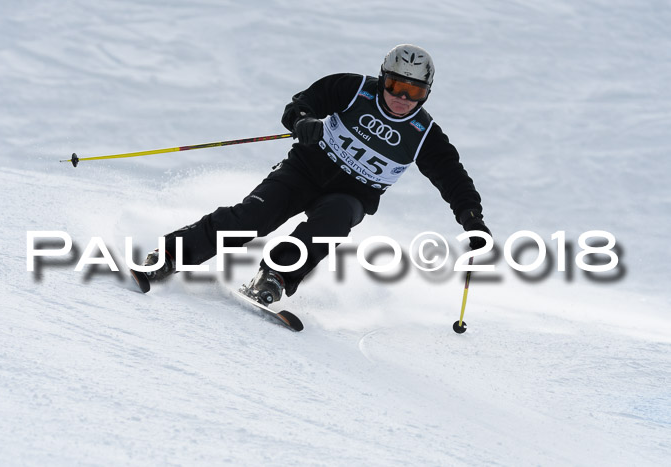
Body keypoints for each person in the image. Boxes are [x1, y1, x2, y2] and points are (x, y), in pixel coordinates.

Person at [137, 44, 491, 305]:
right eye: (396, 85)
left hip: (352, 195)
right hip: (304, 170)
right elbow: (301, 104)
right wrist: (303, 121)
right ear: (383, 79)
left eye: (413, 91)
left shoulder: (424, 134)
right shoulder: (352, 89)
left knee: (333, 222)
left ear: (426, 94)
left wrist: (472, 220)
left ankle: (275, 275)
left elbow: (453, 178)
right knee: (253, 217)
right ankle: (169, 256)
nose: (401, 97)